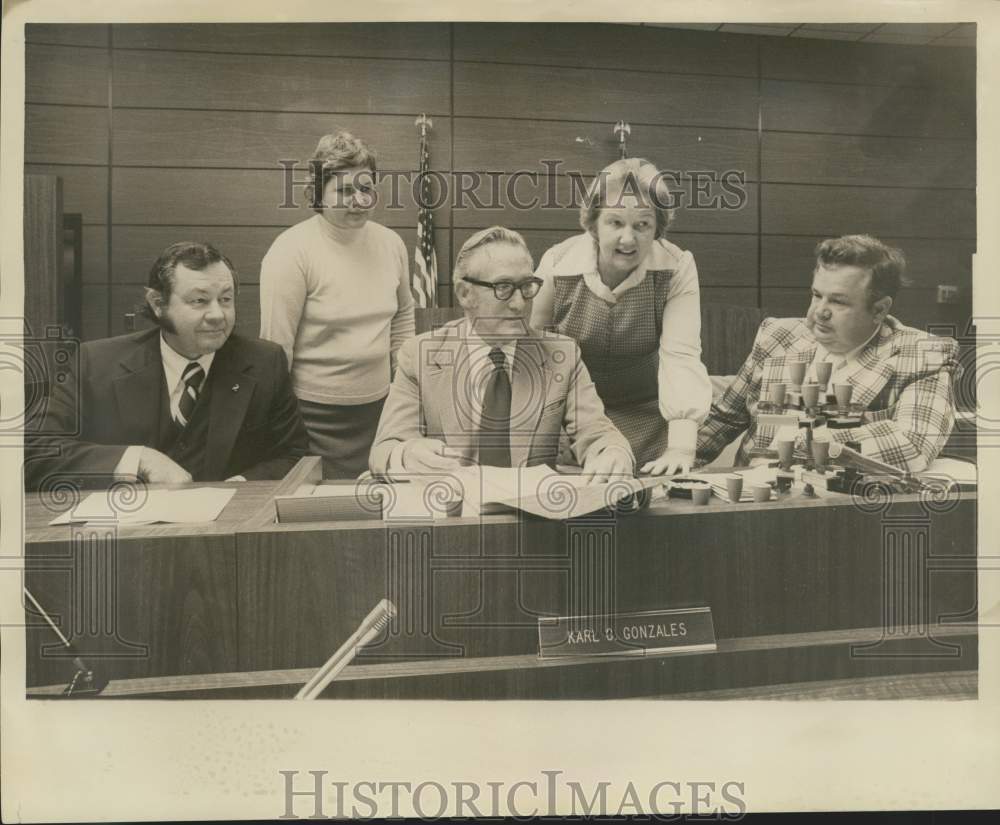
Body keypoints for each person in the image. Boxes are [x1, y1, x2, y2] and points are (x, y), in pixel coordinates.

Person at [25, 242, 309, 491]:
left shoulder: (263, 362)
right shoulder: (96, 363)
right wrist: (138, 460)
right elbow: (35, 454)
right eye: (199, 301)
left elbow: (294, 456)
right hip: (129, 536)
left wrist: (240, 490)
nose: (217, 315)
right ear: (158, 303)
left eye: (226, 299)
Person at [370, 227, 634, 481]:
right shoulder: (419, 356)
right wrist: (406, 454)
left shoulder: (561, 355)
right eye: (503, 287)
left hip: (530, 518)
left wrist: (612, 453)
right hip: (452, 515)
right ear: (465, 294)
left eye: (527, 286)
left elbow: (598, 432)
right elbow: (385, 449)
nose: (520, 304)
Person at [696, 235, 962, 472]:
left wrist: (800, 443)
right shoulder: (777, 335)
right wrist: (673, 460)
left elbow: (912, 445)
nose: (818, 312)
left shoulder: (922, 354)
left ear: (880, 310)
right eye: (816, 295)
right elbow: (722, 419)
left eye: (838, 301)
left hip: (836, 517)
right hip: (749, 512)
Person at [531, 157, 712, 476]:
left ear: (657, 229)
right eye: (615, 222)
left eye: (642, 224)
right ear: (593, 224)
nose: (628, 239)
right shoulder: (557, 264)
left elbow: (681, 356)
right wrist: (547, 433)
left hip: (648, 420)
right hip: (573, 420)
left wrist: (680, 448)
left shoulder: (677, 267)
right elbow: (534, 354)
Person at [260, 131, 415, 478]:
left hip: (381, 411)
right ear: (318, 193)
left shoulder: (391, 243)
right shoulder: (290, 251)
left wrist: (402, 385)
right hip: (312, 419)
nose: (359, 200)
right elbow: (276, 349)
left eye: (366, 188)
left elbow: (403, 314)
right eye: (344, 191)